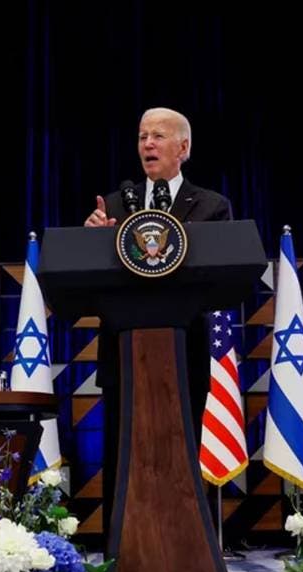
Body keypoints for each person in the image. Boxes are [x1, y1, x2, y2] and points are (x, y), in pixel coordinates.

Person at [83, 107, 233, 548]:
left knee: (180, 458)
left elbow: (217, 279)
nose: (147, 144)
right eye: (142, 136)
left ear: (183, 148)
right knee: (121, 458)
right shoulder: (113, 206)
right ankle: (120, 554)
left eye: (158, 136)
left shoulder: (211, 207)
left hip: (183, 355)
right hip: (123, 357)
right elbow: (91, 279)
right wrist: (95, 239)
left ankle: (187, 551)